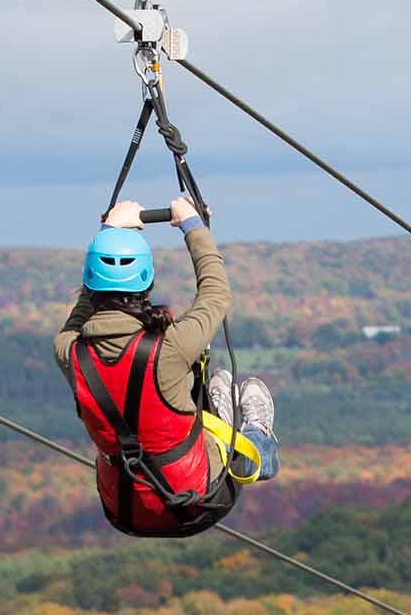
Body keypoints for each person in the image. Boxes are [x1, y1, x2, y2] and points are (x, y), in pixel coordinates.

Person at [55, 196, 278, 537]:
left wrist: (110, 231)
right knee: (246, 442)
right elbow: (215, 294)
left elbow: (82, 312)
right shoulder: (170, 348)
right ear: (146, 282)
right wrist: (192, 226)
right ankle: (256, 433)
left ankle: (218, 417)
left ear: (90, 281)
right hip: (199, 500)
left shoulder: (70, 353)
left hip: (125, 511)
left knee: (180, 403)